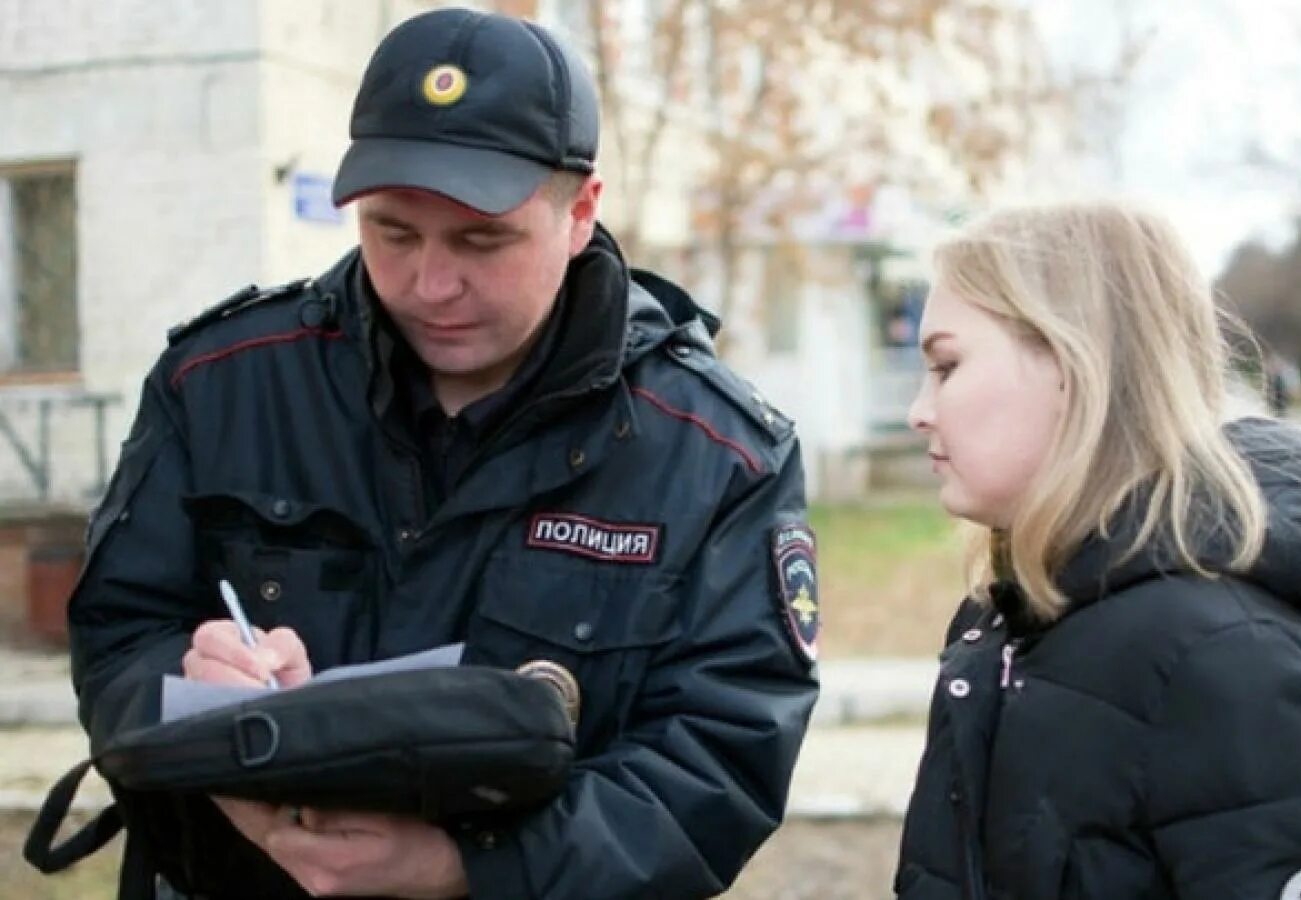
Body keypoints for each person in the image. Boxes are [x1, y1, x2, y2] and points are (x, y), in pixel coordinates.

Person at [68, 8, 819, 899]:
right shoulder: (222, 386)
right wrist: (196, 691)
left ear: (580, 212)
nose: (431, 284)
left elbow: (718, 765)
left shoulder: (713, 454)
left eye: (481, 239)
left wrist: (465, 866)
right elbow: (118, 643)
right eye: (393, 233)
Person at [894, 203, 1301, 899]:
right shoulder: (1019, 619)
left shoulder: (1230, 668)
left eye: (947, 366)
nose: (919, 411)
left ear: (1074, 366)